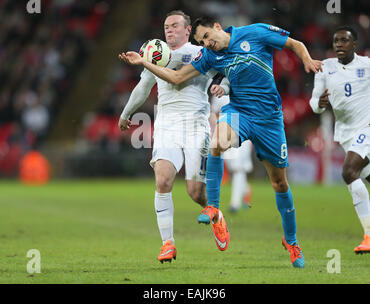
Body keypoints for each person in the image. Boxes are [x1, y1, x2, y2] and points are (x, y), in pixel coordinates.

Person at [119, 17, 323, 268]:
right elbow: (177, 77)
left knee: (279, 183)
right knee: (217, 143)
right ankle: (213, 210)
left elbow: (294, 43)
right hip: (238, 112)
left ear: (216, 27)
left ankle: (292, 242)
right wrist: (143, 62)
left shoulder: (255, 33)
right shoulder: (208, 55)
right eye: (202, 41)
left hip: (269, 118)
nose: (207, 44)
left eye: (207, 37)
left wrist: (307, 59)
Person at [118, 11, 230, 263]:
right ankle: (167, 243)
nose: (169, 30)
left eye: (175, 26)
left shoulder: (201, 53)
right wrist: (126, 114)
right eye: (166, 26)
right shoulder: (156, 54)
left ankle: (216, 214)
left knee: (195, 192)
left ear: (188, 30)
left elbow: (225, 75)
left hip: (196, 125)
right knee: (163, 180)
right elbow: (143, 88)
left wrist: (223, 87)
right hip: (166, 125)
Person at [309, 26, 370, 254]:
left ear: (355, 45)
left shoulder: (367, 65)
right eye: (336, 41)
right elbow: (314, 102)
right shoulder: (325, 68)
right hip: (346, 134)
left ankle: (368, 235)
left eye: (344, 41)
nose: (339, 45)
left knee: (348, 172)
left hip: (367, 127)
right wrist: (319, 105)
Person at [210, 92, 253, 213]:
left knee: (237, 168)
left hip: (243, 132)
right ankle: (246, 190)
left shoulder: (246, 88)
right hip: (225, 133)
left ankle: (235, 204)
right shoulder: (220, 92)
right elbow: (214, 113)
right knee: (231, 166)